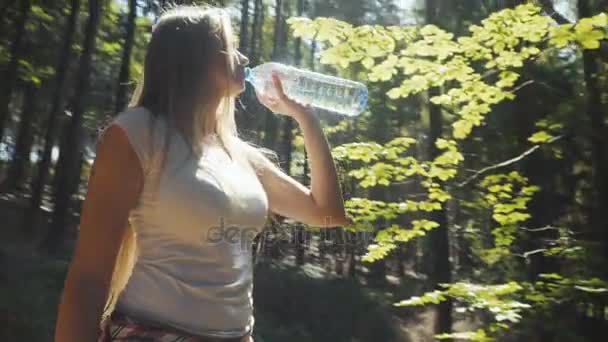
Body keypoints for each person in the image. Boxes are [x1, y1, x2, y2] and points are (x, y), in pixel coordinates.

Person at [53, 4, 348, 342]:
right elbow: (89, 275)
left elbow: (327, 213)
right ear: (194, 58)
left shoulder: (240, 155)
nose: (245, 58)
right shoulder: (137, 133)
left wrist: (306, 119)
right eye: (230, 45)